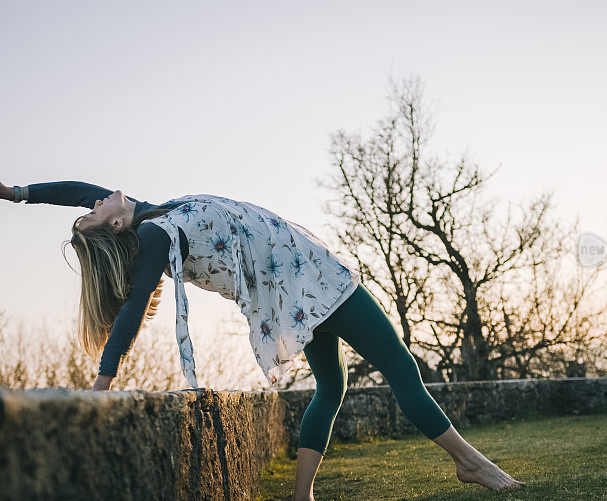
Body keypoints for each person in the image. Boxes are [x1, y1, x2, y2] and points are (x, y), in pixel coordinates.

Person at [1, 180, 525, 498]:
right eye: (95, 211)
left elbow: (72, 191)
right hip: (315, 284)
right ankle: (469, 462)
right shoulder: (154, 236)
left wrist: (16, 193)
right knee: (401, 369)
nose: (96, 199)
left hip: (292, 296)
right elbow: (134, 306)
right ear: (113, 227)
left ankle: (302, 496)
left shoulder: (148, 214)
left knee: (331, 388)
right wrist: (105, 377)